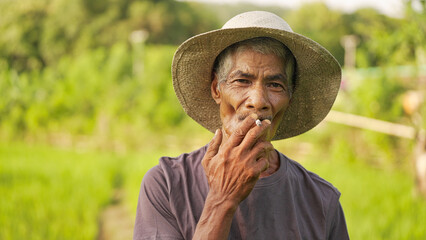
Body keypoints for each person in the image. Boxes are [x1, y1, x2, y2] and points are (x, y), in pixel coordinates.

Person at [134, 11, 349, 240]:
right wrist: (222, 198)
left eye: (275, 85)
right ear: (217, 89)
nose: (258, 101)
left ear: (290, 98)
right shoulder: (166, 185)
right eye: (242, 81)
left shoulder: (322, 201)